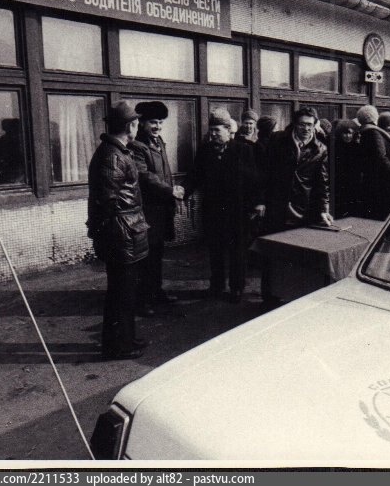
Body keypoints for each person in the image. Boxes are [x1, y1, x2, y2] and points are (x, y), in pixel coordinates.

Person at [86, 101, 149, 360]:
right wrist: (111, 235)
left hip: (125, 232)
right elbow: (106, 202)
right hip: (122, 235)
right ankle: (117, 346)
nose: (138, 127)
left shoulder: (118, 152)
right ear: (130, 126)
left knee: (126, 292)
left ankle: (126, 338)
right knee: (121, 294)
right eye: (136, 123)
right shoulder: (112, 156)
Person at [184, 109, 261, 303]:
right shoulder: (205, 151)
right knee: (215, 250)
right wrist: (182, 191)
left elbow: (254, 180)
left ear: (228, 130)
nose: (213, 134)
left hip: (237, 211)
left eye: (217, 130)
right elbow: (194, 175)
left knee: (237, 251)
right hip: (213, 210)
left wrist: (257, 203)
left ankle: (237, 288)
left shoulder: (243, 150)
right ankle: (216, 285)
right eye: (211, 130)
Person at [260, 107, 332, 304]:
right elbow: (265, 172)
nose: (305, 129)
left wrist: (324, 209)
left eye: (309, 125)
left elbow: (322, 183)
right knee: (272, 252)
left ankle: (292, 297)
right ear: (294, 124)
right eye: (301, 124)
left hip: (302, 209)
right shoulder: (278, 140)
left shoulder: (320, 149)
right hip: (276, 205)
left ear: (315, 125)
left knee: (297, 255)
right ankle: (269, 297)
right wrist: (261, 201)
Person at [130, 101, 185, 316]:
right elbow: (144, 176)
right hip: (147, 210)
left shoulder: (158, 141)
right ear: (142, 122)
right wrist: (169, 190)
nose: (158, 126)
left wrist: (172, 189)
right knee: (145, 257)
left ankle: (156, 291)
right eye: (153, 122)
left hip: (161, 209)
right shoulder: (137, 146)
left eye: (161, 122)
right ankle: (142, 300)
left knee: (157, 253)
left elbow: (165, 173)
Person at [357, 105, 390, 220]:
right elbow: (381, 157)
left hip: (375, 181)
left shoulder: (365, 132)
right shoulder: (374, 133)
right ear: (374, 116)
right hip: (384, 182)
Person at [333, 119, 362, 218]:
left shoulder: (357, 147)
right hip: (339, 183)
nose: (348, 136)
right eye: (345, 133)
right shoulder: (335, 147)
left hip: (354, 183)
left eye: (350, 133)